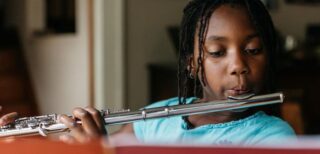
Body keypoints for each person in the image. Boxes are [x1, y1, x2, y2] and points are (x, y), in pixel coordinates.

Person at [2, 0, 296, 145]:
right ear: (191, 64)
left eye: (253, 50)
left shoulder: (273, 138)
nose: (238, 66)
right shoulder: (157, 115)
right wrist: (23, 144)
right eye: (217, 52)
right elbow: (107, 147)